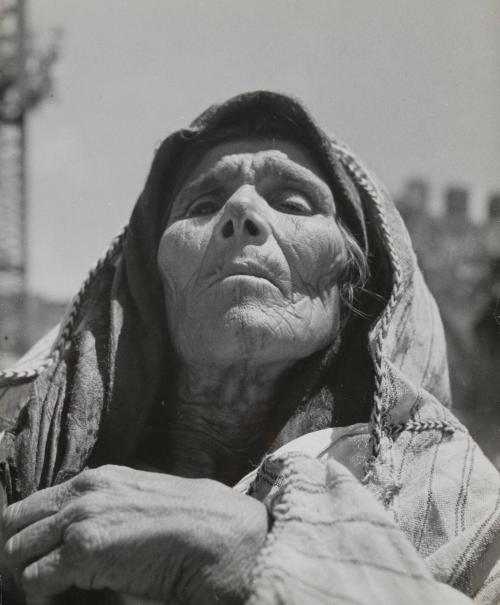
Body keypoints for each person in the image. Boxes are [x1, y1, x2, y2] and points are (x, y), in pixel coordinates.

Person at [0, 91, 499, 605]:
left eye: (292, 203)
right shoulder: (22, 470)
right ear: (153, 290)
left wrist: (251, 555)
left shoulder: (453, 503)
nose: (240, 210)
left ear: (354, 285)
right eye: (202, 205)